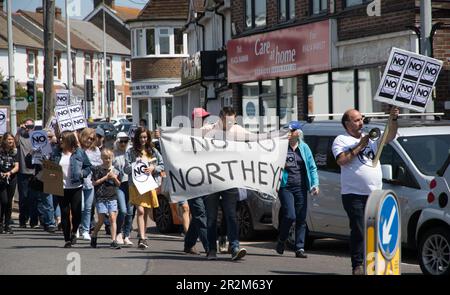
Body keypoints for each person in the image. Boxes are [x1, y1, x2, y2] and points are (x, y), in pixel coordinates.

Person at [332, 107, 399, 275]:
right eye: (356, 120)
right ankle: (358, 265)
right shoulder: (341, 140)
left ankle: (375, 263)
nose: (361, 122)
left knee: (376, 230)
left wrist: (394, 119)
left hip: (375, 194)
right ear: (347, 124)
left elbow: (389, 136)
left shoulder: (370, 138)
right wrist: (360, 145)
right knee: (359, 230)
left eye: (361, 119)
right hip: (354, 194)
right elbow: (342, 160)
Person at [201, 107, 249, 261]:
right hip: (211, 181)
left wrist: (280, 137)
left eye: (233, 121)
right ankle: (212, 250)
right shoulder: (207, 130)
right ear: (221, 117)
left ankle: (234, 247)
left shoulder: (238, 130)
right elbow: (185, 138)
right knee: (212, 217)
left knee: (231, 215)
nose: (230, 124)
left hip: (231, 180)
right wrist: (164, 136)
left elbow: (258, 139)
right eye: (228, 121)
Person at [275, 121, 319, 258]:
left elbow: (312, 167)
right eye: (287, 131)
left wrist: (314, 184)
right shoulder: (281, 147)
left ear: (298, 133)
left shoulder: (304, 148)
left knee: (301, 218)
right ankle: (281, 239)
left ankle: (299, 248)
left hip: (301, 186)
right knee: (290, 215)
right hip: (285, 186)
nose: (288, 133)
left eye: (291, 131)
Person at [50, 131, 92, 248]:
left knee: (76, 212)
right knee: (64, 213)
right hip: (61, 187)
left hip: (76, 187)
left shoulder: (79, 152)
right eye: (60, 139)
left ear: (69, 140)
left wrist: (82, 173)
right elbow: (50, 167)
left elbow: (88, 167)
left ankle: (74, 232)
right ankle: (67, 239)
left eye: (63, 139)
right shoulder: (56, 153)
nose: (61, 141)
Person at [125, 127, 164, 249]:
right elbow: (125, 168)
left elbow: (162, 165)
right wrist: (135, 165)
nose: (143, 139)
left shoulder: (152, 151)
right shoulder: (131, 152)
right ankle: (142, 237)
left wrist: (153, 168)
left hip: (149, 184)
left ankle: (143, 234)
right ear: (136, 138)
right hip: (136, 185)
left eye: (145, 137)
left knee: (146, 211)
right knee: (140, 211)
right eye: (141, 137)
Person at [182, 108, 211, 256]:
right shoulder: (188, 137)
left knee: (199, 215)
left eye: (205, 118)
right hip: (192, 183)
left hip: (207, 181)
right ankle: (209, 248)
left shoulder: (210, 136)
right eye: (201, 118)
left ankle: (189, 244)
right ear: (195, 121)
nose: (204, 121)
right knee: (200, 214)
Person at [90, 148, 122, 249]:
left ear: (112, 158)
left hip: (112, 196)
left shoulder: (115, 170)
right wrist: (106, 178)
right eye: (105, 158)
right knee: (101, 219)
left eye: (109, 158)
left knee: (113, 218)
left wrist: (114, 178)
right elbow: (94, 183)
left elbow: (119, 184)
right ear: (101, 158)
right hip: (101, 197)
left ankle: (113, 240)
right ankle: (94, 234)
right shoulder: (97, 169)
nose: (107, 160)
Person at [78, 128, 102, 241]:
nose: (90, 140)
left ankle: (86, 230)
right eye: (88, 137)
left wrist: (90, 165)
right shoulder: (77, 149)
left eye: (92, 138)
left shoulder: (96, 149)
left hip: (90, 182)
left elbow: (99, 164)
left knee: (88, 208)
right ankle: (77, 228)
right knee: (80, 207)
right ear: (83, 136)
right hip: (78, 182)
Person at [15, 119, 39, 228]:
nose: (29, 128)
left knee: (34, 198)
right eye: (27, 126)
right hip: (23, 172)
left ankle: (34, 221)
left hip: (35, 172)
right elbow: (15, 141)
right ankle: (23, 220)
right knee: (23, 197)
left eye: (31, 126)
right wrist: (20, 129)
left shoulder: (37, 138)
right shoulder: (21, 137)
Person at [113, 132, 134, 246]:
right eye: (121, 141)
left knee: (130, 212)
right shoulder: (113, 154)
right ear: (117, 141)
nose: (123, 143)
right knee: (123, 210)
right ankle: (118, 233)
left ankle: (127, 235)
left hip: (130, 183)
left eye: (125, 141)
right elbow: (110, 169)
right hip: (119, 184)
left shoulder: (131, 152)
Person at [0, 132, 19, 234]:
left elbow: (17, 166)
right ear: (4, 140)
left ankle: (7, 225)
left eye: (12, 139)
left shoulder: (15, 152)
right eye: (8, 139)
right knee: (3, 201)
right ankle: (1, 223)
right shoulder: (0, 151)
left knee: (9, 202)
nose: (11, 141)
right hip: (1, 179)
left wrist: (9, 173)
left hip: (11, 178)